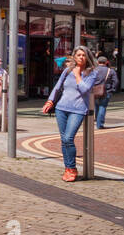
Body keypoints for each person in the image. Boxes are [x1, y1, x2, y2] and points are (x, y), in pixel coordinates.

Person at [41, 45, 103, 183]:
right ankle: (68, 169)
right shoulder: (67, 70)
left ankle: (72, 168)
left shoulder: (92, 73)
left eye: (84, 55)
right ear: (74, 57)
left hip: (78, 109)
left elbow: (85, 89)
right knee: (64, 140)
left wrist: (77, 75)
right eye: (79, 55)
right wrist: (50, 101)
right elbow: (58, 87)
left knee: (68, 138)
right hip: (61, 108)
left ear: (87, 57)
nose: (81, 57)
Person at [93, 52, 118, 129]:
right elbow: (116, 81)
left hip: (95, 92)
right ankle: (100, 124)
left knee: (96, 106)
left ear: (98, 62)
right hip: (106, 91)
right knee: (102, 107)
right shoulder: (110, 71)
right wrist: (112, 89)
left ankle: (97, 121)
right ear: (106, 62)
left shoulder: (94, 70)